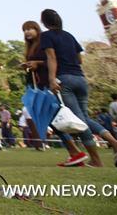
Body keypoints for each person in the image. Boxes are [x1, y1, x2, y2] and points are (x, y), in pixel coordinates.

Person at [40, 8, 117, 167]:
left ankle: (104, 154)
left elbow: (51, 57)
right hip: (80, 79)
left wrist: (52, 78)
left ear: (44, 22)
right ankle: (114, 145)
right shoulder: (69, 36)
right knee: (85, 118)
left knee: (80, 121)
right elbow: (79, 59)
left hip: (64, 79)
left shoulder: (46, 36)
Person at [21, 20, 89, 165]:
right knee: (52, 120)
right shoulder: (30, 48)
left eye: (30, 29)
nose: (27, 32)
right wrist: (27, 66)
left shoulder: (43, 43)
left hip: (50, 85)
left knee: (58, 118)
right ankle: (74, 153)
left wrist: (37, 63)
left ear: (37, 29)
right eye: (25, 30)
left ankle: (78, 151)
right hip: (38, 86)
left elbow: (53, 61)